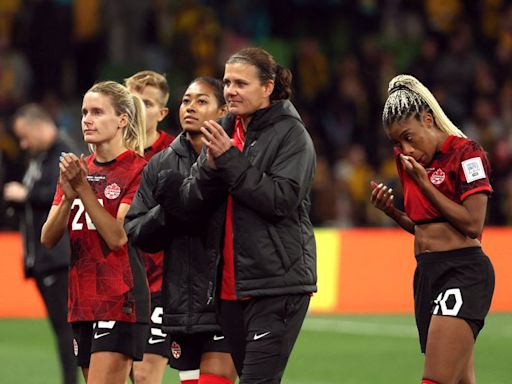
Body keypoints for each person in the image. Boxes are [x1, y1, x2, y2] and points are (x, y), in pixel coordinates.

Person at [156, 47, 317, 383]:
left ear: (268, 87)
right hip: (229, 289)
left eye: (241, 83)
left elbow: (281, 200)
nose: (230, 90)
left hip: (275, 284)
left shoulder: (291, 134)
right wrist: (207, 170)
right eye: (228, 82)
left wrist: (228, 159)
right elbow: (190, 199)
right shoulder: (225, 128)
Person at [370, 74, 495, 384]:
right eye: (396, 142)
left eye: (408, 137)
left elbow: (472, 224)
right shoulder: (409, 162)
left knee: (435, 379)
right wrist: (392, 212)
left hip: (462, 272)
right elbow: (424, 228)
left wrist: (425, 184)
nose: (404, 149)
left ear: (428, 119)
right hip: (427, 273)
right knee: (460, 378)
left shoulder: (467, 153)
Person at [125, 76, 237, 384]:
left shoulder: (236, 159)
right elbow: (135, 229)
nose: (190, 107)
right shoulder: (161, 164)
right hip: (178, 302)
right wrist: (170, 211)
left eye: (202, 101)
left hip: (224, 299)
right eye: (187, 100)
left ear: (223, 110)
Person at [41, 81, 150, 384]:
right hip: (82, 301)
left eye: (98, 112)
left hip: (120, 299)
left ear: (122, 120)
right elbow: (48, 239)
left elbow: (118, 237)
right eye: (84, 112)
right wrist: (67, 196)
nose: (87, 119)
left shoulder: (138, 170)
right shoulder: (78, 168)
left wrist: (83, 190)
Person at [3, 104, 78, 384]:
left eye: (25, 136)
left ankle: (71, 381)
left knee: (65, 328)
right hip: (45, 257)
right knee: (61, 327)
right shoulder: (41, 156)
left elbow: (65, 195)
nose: (22, 143)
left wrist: (27, 195)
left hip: (58, 255)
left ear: (39, 126)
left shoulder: (63, 153)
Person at [125, 70, 175, 384]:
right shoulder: (110, 151)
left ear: (162, 112)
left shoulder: (175, 152)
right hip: (120, 281)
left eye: (147, 102)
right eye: (133, 101)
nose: (139, 108)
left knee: (144, 375)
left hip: (161, 282)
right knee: (125, 371)